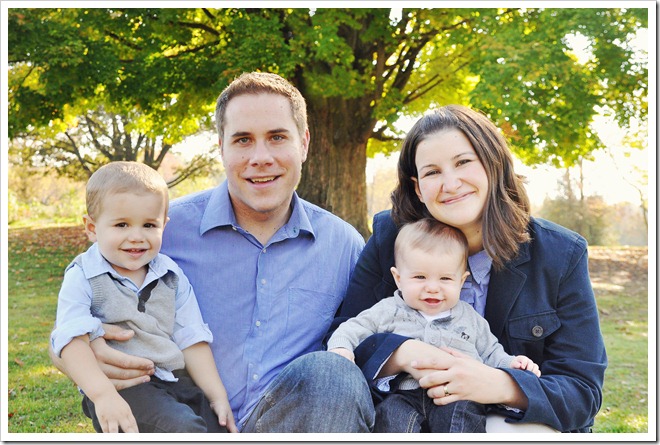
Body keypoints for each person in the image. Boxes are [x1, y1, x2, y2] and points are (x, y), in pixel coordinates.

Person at [49, 72, 374, 433]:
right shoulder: (159, 232)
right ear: (222, 147)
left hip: (291, 425)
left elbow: (373, 334)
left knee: (333, 372)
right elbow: (73, 318)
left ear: (304, 143)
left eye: (277, 137)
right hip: (188, 417)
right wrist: (81, 358)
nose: (261, 157)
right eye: (243, 139)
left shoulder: (344, 245)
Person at [335, 104, 607, 433]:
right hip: (403, 412)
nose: (450, 184)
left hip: (508, 422)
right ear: (418, 188)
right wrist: (401, 353)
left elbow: (582, 391)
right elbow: (340, 343)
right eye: (432, 172)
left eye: (463, 162)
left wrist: (497, 383)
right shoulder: (391, 238)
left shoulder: (560, 254)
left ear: (493, 165)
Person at [50, 161, 237, 433]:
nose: (136, 236)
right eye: (122, 224)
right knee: (184, 430)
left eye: (149, 225)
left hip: (175, 381)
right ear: (91, 227)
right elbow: (71, 339)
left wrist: (217, 395)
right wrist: (103, 395)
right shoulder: (83, 275)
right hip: (125, 389)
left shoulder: (171, 275)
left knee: (217, 431)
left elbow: (192, 338)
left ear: (164, 225)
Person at [328, 218, 541, 432]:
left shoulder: (470, 318)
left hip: (456, 395)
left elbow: (491, 352)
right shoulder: (389, 309)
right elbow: (352, 328)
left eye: (445, 279)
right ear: (398, 278)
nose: (432, 288)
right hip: (402, 393)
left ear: (461, 281)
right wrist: (341, 348)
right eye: (420, 277)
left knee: (464, 414)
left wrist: (512, 363)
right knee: (389, 415)